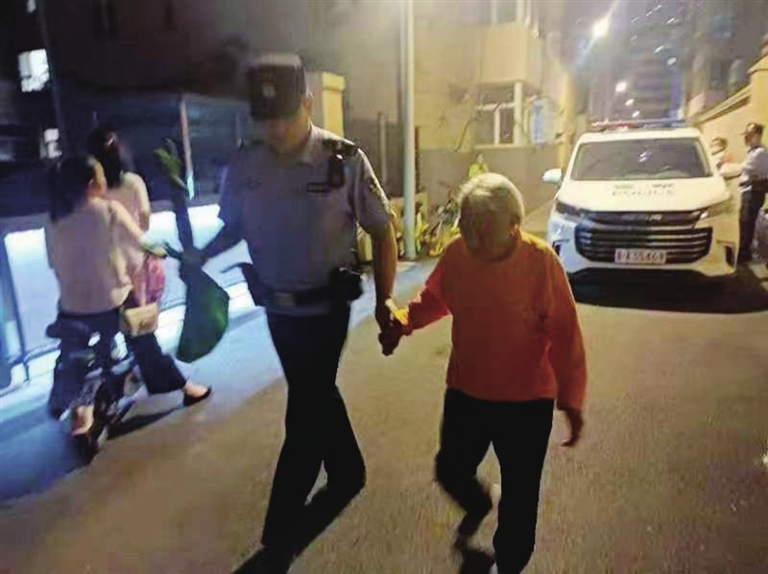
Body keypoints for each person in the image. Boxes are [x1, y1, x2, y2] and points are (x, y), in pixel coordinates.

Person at [186, 54, 398, 571]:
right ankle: (347, 469)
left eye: (285, 117)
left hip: (327, 308)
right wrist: (202, 255)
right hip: (277, 310)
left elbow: (382, 228)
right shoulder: (245, 164)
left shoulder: (343, 159)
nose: (276, 130)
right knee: (316, 393)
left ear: (307, 103)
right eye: (266, 121)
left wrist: (385, 299)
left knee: (305, 406)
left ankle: (280, 530)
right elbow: (234, 226)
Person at [380, 173, 587, 574]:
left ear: (514, 224)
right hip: (467, 392)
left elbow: (565, 335)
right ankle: (479, 501)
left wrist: (572, 400)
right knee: (451, 469)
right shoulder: (459, 254)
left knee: (521, 494)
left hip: (527, 402)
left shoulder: (541, 263)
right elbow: (436, 299)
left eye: (484, 227)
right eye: (468, 224)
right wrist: (403, 322)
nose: (473, 237)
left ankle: (509, 563)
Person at [86, 128, 212, 407]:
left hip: (101, 272)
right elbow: (143, 224)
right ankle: (180, 385)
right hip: (133, 267)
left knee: (120, 333)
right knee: (141, 332)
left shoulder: (89, 192)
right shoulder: (132, 183)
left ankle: (128, 380)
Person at [738, 123, 768, 263]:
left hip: (753, 191)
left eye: (749, 135)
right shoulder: (752, 152)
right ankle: (745, 250)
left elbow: (746, 169)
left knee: (747, 222)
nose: (746, 138)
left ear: (757, 136)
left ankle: (745, 252)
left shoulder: (760, 153)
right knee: (745, 222)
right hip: (748, 190)